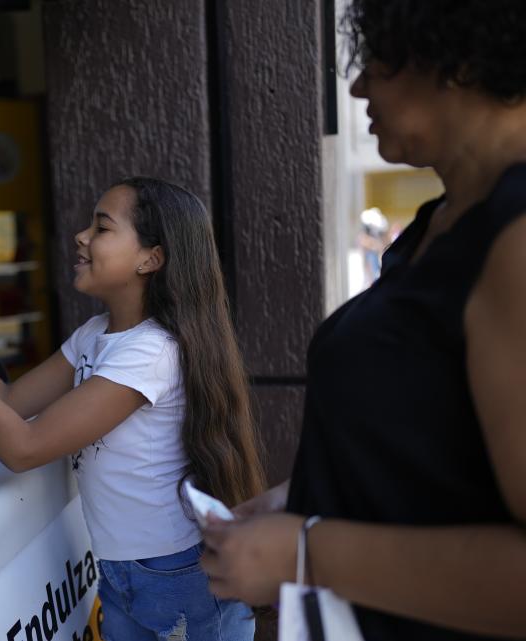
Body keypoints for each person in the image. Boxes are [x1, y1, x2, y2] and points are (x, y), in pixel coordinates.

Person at [198, 2, 526, 639]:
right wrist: (313, 494)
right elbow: (435, 450)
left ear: (451, 56)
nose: (357, 86)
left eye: (375, 59)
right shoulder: (443, 222)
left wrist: (307, 551)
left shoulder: (515, 239)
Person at [0, 177, 265, 641]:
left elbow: (24, 447)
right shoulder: (95, 334)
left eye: (102, 228)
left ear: (150, 258)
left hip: (176, 577)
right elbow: (9, 402)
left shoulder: (151, 352)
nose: (81, 236)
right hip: (122, 571)